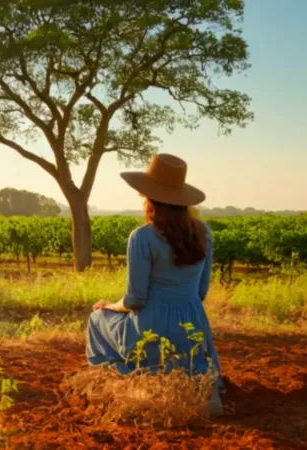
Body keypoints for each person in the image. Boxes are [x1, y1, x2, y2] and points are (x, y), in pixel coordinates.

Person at [85, 153, 224, 417]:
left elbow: (135, 299)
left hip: (152, 324)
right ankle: (200, 386)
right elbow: (201, 292)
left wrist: (110, 305)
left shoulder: (142, 237)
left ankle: (124, 381)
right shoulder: (203, 233)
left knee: (97, 318)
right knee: (190, 352)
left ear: (150, 198)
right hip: (193, 325)